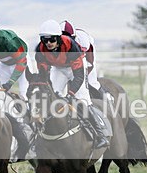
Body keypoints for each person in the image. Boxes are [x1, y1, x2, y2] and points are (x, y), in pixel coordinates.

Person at [35, 19, 109, 148]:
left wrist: (70, 93)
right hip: (58, 68)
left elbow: (79, 76)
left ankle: (101, 134)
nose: (48, 43)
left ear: (58, 38)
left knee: (82, 101)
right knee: (52, 97)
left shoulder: (71, 46)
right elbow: (43, 73)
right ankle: (40, 135)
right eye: (45, 40)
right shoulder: (40, 50)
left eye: (52, 39)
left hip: (75, 69)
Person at [60, 19, 102, 99]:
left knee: (91, 82)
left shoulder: (83, 41)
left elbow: (89, 64)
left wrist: (80, 77)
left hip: (86, 54)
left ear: (74, 38)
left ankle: (106, 100)